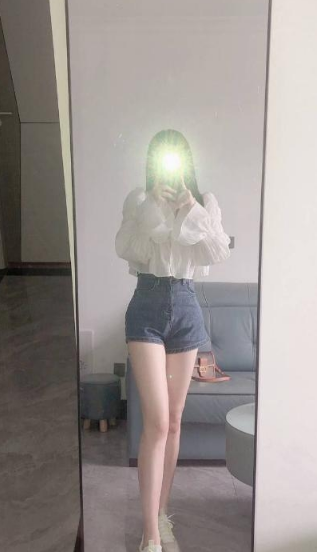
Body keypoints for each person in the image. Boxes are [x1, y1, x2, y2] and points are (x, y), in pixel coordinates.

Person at [115, 129, 231, 552]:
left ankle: (161, 514)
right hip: (146, 305)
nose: (170, 165)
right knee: (158, 422)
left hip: (185, 304)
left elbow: (216, 252)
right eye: (162, 157)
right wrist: (154, 207)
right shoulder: (137, 200)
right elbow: (127, 249)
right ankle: (149, 534)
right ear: (152, 162)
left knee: (175, 420)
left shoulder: (205, 202)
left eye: (176, 156)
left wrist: (190, 209)